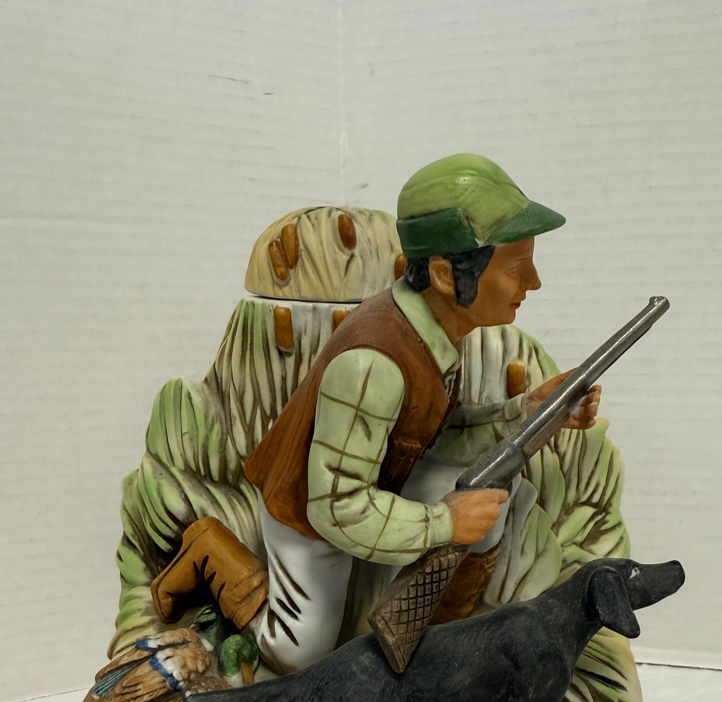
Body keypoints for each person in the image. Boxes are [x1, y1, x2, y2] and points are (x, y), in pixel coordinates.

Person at [151, 154, 601, 673]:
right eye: (517, 268)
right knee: (298, 653)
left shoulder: (437, 329)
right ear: (445, 275)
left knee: (491, 494)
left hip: (379, 479)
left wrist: (530, 411)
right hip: (311, 510)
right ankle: (209, 550)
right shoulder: (374, 365)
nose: (535, 282)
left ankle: (436, 643)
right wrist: (444, 522)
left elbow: (437, 435)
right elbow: (337, 506)